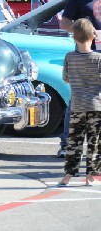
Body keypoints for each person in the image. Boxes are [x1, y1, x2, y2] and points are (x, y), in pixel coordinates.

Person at [57, 0, 101, 158]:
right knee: (77, 99)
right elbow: (64, 22)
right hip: (84, 54)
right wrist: (84, 31)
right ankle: (67, 145)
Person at [58, 18, 101, 187]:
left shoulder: (69, 57)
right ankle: (90, 175)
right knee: (94, 142)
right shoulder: (98, 59)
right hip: (96, 106)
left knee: (74, 141)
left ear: (74, 38)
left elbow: (66, 78)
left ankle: (68, 175)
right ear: (93, 36)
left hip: (77, 105)